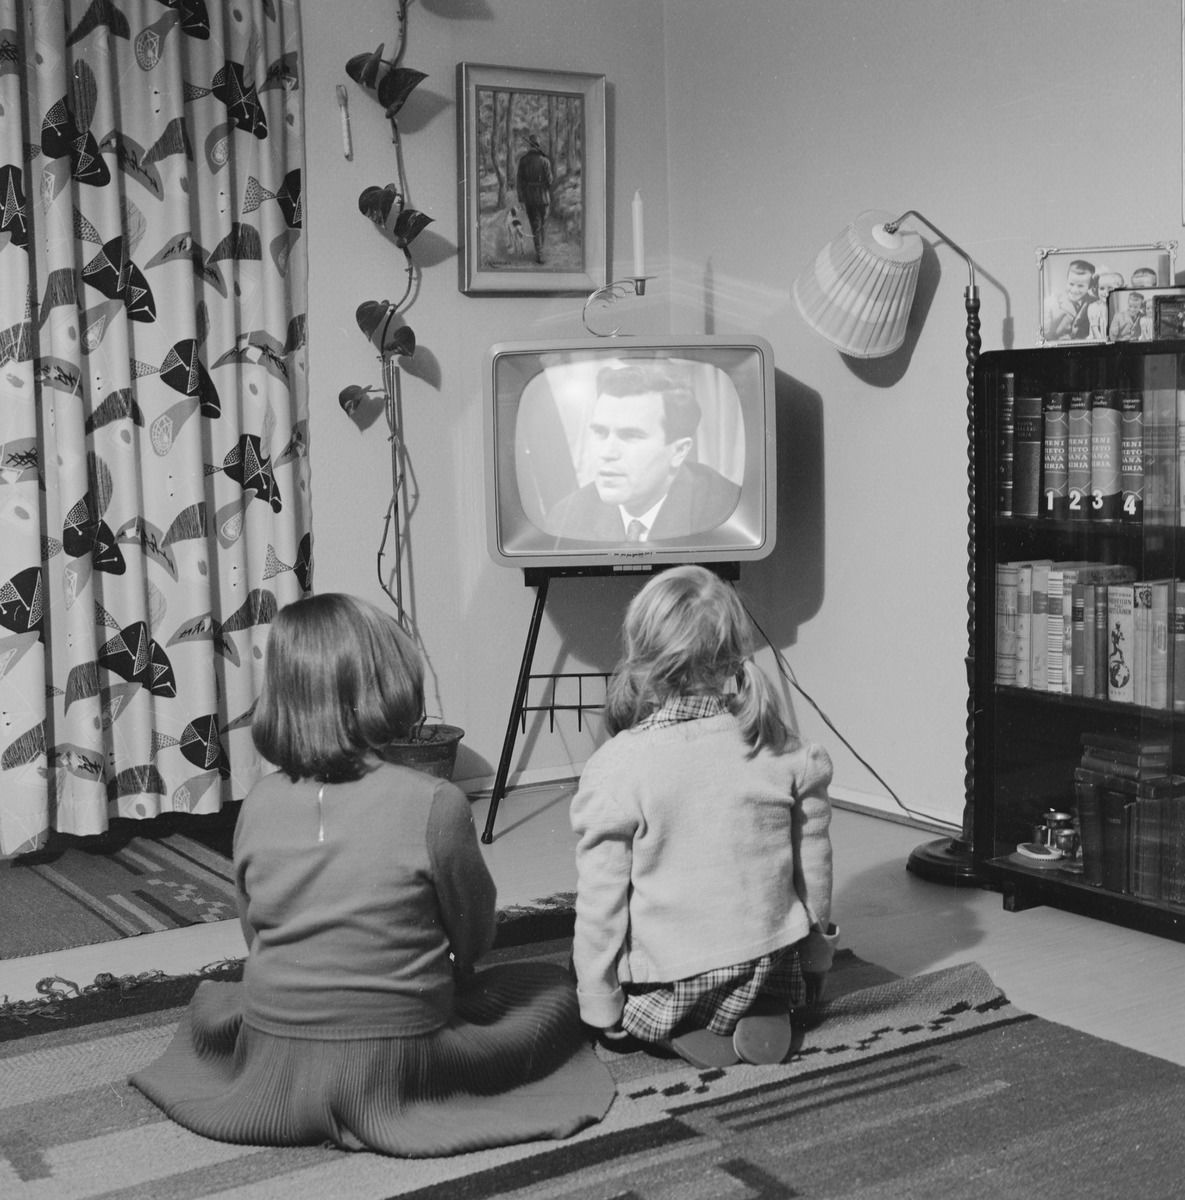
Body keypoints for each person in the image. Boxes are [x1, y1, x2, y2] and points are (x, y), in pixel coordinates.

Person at [130, 593, 614, 1157]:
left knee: (217, 1001)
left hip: (276, 1047)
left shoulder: (257, 803)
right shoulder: (434, 801)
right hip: (401, 1054)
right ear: (385, 686)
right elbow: (474, 935)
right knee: (549, 990)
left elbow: (254, 933)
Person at [569, 565, 838, 1068]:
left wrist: (599, 1006)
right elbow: (814, 874)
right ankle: (760, 1009)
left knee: (596, 972)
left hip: (674, 981)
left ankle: (681, 1028)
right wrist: (816, 960)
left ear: (640, 659)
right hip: (770, 966)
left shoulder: (617, 767)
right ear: (736, 653)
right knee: (765, 952)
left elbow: (600, 903)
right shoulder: (790, 752)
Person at [546, 364, 741, 543]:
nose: (607, 453)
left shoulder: (725, 511)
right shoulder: (567, 516)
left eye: (630, 436)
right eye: (600, 432)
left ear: (679, 452)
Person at [515, 134, 553, 264]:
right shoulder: (545, 161)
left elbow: (519, 182)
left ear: (530, 145)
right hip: (544, 198)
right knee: (542, 225)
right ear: (538, 145)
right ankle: (540, 252)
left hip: (530, 198)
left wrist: (521, 199)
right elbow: (550, 181)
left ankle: (539, 252)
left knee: (535, 225)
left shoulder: (523, 161)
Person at [1043, 257, 1095, 341]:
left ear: (1089, 286)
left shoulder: (1094, 303)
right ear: (1066, 280)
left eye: (1080, 286)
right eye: (1071, 284)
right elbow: (1045, 336)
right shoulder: (1051, 303)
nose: (1074, 290)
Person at [1087, 271, 1123, 341]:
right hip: (1098, 340)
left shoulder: (1119, 306)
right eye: (1102, 288)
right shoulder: (1094, 308)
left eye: (1110, 288)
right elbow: (1095, 332)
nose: (1105, 292)